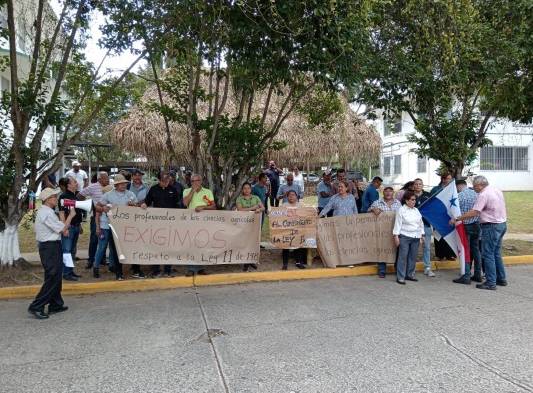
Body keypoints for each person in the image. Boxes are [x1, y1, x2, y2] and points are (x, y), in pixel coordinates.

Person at [450, 176, 507, 290]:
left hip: (490, 226)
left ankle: (490, 282)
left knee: (488, 254)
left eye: (475, 186)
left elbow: (475, 212)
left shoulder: (483, 194)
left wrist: (458, 218)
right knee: (495, 253)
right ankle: (501, 278)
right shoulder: (496, 190)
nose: (474, 188)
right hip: (501, 224)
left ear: (480, 185)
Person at [28, 188, 76, 319]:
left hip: (52, 246)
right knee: (52, 276)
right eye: (54, 197)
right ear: (48, 199)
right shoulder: (46, 213)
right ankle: (36, 306)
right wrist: (71, 216)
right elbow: (62, 229)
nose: (56, 198)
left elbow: (61, 228)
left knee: (55, 276)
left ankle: (55, 304)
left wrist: (63, 218)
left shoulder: (47, 211)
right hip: (49, 247)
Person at [95, 174, 141, 280]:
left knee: (127, 248)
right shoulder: (108, 195)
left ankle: (132, 269)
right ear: (116, 185)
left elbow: (138, 207)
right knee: (115, 249)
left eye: (125, 183)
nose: (124, 185)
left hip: (127, 227)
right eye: (121, 184)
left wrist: (135, 206)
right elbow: (97, 206)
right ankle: (118, 272)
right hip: (111, 225)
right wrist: (103, 209)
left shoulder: (130, 194)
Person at [141, 171, 183, 277]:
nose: (166, 182)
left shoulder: (173, 189)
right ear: (159, 180)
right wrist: (144, 205)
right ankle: (156, 269)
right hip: (157, 224)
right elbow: (147, 201)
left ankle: (168, 269)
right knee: (156, 246)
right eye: (164, 180)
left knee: (169, 246)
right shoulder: (153, 189)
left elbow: (178, 205)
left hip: (170, 223)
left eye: (168, 180)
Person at [183, 173, 217, 276]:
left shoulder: (207, 192)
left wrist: (203, 207)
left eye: (197, 180)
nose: (195, 183)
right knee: (191, 245)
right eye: (193, 181)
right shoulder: (186, 191)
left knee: (203, 244)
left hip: (204, 223)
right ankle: (191, 268)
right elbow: (185, 204)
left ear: (201, 181)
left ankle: (201, 267)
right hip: (191, 222)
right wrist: (192, 191)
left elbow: (214, 207)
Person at [452, 180, 483, 284]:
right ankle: (478, 274)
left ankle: (466, 275)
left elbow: (455, 212)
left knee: (466, 250)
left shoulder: (459, 197)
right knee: (476, 250)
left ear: (458, 186)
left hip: (465, 226)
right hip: (477, 224)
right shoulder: (477, 194)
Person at [79, 171, 109, 269]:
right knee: (94, 239)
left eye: (107, 178)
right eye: (105, 178)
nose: (107, 180)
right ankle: (91, 260)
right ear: (99, 179)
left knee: (104, 238)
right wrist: (89, 205)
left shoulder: (110, 187)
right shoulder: (93, 187)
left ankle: (102, 259)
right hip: (96, 216)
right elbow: (80, 195)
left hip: (108, 217)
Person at [393, 191, 424, 285]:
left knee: (412, 257)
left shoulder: (416, 210)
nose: (414, 201)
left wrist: (422, 235)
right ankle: (400, 277)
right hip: (405, 236)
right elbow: (397, 224)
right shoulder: (401, 210)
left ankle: (410, 274)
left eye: (415, 200)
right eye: (412, 200)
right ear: (406, 200)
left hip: (416, 237)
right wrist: (396, 236)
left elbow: (420, 223)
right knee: (402, 257)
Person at [370, 186, 401, 278]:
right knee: (382, 250)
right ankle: (382, 270)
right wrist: (373, 209)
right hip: (382, 233)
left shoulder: (398, 203)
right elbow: (368, 210)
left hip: (395, 231)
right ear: (383, 193)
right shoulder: (377, 202)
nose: (388, 193)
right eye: (386, 191)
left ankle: (397, 269)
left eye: (390, 191)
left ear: (393, 193)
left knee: (397, 250)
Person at [58, 177, 84, 281]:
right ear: (68, 185)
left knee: (72, 251)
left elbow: (76, 213)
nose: (76, 183)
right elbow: (62, 213)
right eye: (74, 182)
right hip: (69, 228)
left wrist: (80, 225)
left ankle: (70, 271)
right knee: (67, 251)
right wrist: (65, 228)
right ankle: (66, 273)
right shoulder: (64, 196)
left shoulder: (74, 196)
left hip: (76, 226)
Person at [236, 182, 265, 272]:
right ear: (242, 190)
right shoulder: (239, 199)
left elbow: (263, 207)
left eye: (248, 188)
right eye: (245, 188)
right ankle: (245, 262)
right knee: (245, 243)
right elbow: (240, 210)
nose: (246, 190)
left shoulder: (256, 198)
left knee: (253, 242)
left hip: (254, 225)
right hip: (243, 225)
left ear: (251, 189)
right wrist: (253, 208)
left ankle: (251, 260)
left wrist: (259, 209)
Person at [431, 171, 456, 260]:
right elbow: (431, 202)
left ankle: (450, 254)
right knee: (438, 236)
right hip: (437, 216)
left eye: (450, 179)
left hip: (448, 216)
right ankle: (440, 255)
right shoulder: (435, 189)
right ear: (443, 179)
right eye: (448, 178)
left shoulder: (453, 189)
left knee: (449, 234)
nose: (449, 180)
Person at [413, 178, 435, 277]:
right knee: (414, 248)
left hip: (426, 225)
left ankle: (427, 268)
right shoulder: (410, 196)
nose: (418, 186)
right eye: (416, 184)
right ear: (413, 185)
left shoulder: (428, 195)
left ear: (422, 185)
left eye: (420, 184)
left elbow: (433, 210)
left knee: (426, 248)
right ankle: (411, 268)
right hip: (413, 227)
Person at [281, 190, 307, 270]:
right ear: (287, 197)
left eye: (293, 195)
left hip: (298, 230)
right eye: (290, 195)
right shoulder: (284, 205)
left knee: (298, 245)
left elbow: (306, 215)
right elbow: (278, 216)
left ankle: (298, 262)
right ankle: (285, 264)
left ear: (296, 196)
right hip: (287, 229)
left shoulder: (301, 205)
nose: (291, 196)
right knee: (285, 246)